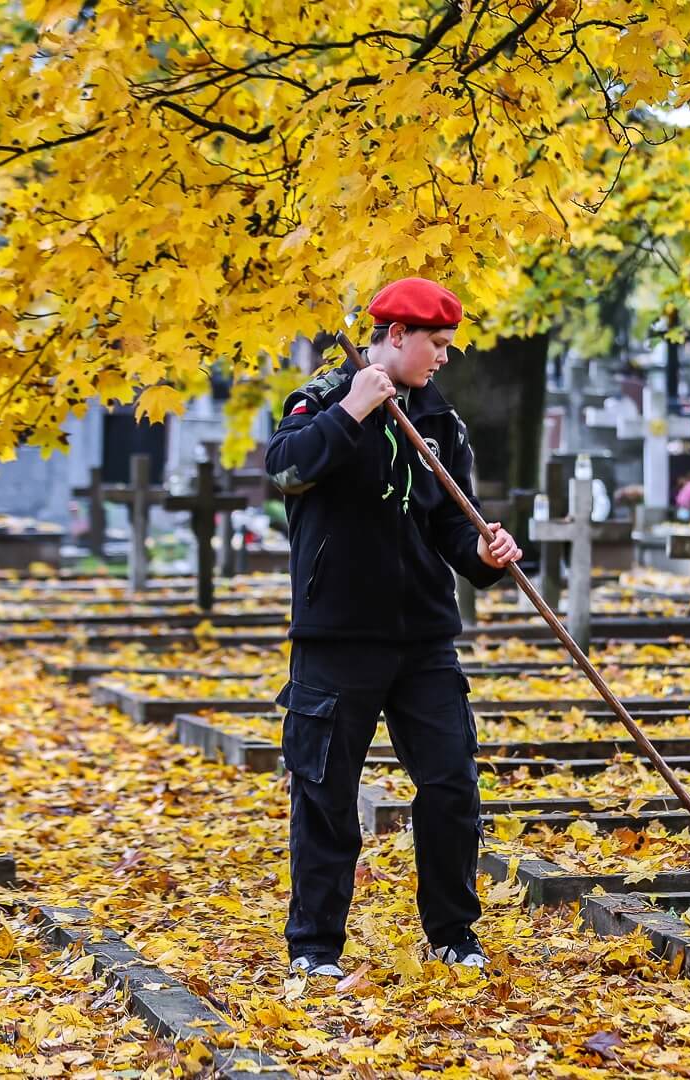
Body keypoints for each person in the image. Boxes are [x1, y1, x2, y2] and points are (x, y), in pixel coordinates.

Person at [265, 277, 523, 978]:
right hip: (338, 637)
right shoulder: (319, 401)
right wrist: (354, 408)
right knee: (326, 794)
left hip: (424, 640)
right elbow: (286, 472)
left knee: (452, 785)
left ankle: (453, 935)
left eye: (448, 345)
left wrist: (484, 554)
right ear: (397, 334)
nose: (443, 357)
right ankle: (314, 948)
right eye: (435, 343)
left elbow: (450, 525)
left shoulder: (441, 422)